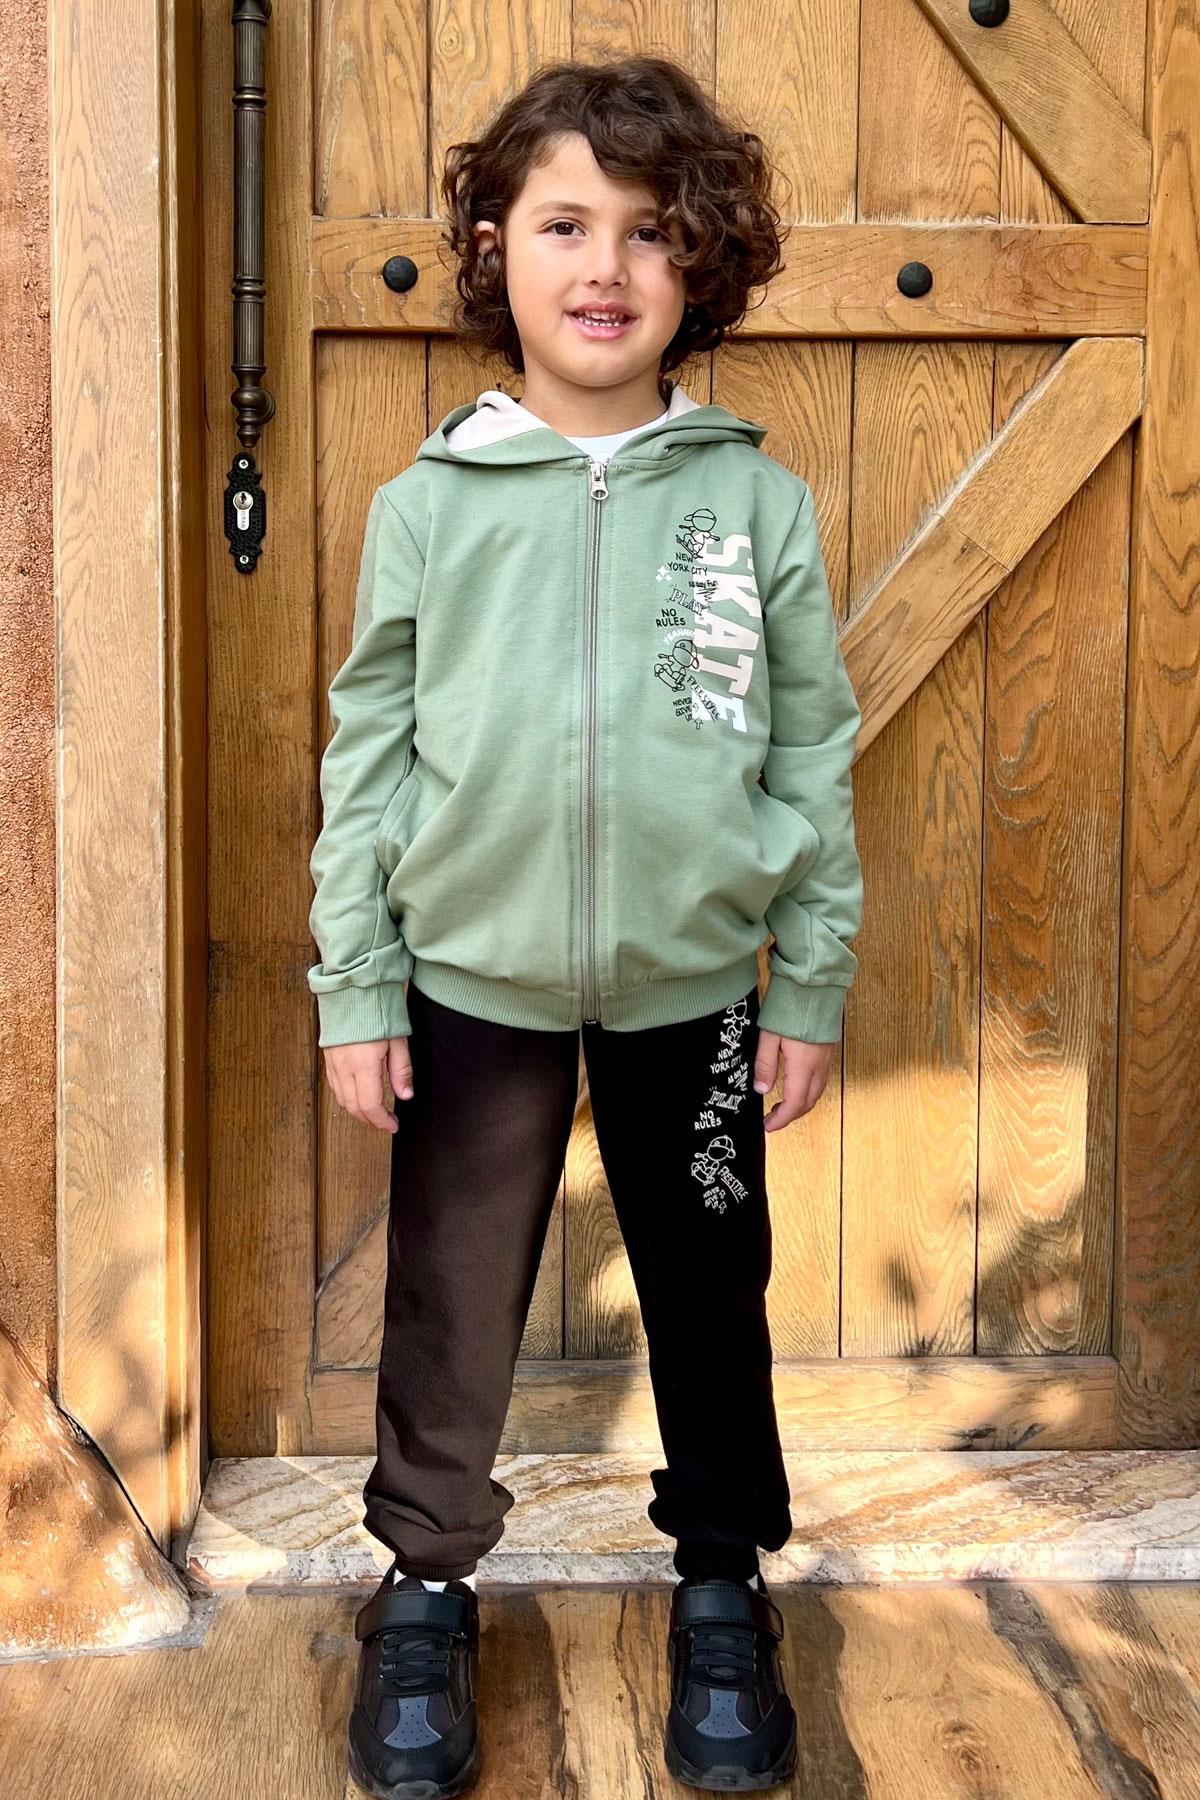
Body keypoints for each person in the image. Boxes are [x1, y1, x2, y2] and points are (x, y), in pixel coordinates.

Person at [309, 53, 863, 1800]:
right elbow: (369, 753)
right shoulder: (432, 504)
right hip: (470, 990)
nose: (606, 265)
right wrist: (356, 982)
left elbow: (809, 750)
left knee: (710, 1284)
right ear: (496, 249)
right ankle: (423, 1585)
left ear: (702, 263)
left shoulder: (754, 506)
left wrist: (808, 976)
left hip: (695, 997)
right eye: (565, 224)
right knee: (451, 1296)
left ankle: (723, 1579)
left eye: (649, 230)